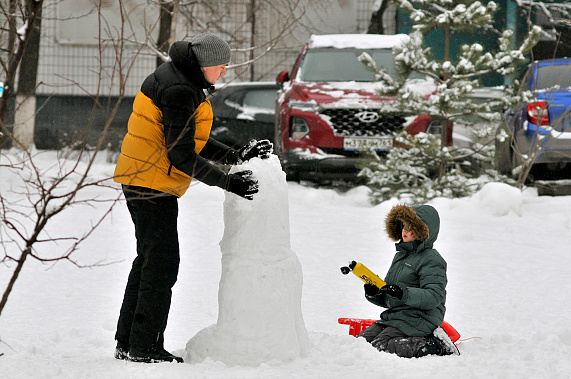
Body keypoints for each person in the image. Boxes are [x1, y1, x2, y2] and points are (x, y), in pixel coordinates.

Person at [112, 33, 273, 363]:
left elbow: (187, 136)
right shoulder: (180, 88)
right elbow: (181, 154)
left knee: (149, 260)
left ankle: (129, 341)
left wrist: (235, 155)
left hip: (143, 177)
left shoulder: (178, 78)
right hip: (149, 183)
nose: (224, 73)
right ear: (206, 65)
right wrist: (228, 183)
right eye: (222, 67)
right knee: (161, 264)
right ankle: (144, 346)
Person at [358, 204, 460, 358]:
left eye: (411, 228)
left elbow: (434, 297)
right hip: (395, 318)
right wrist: (375, 294)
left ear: (423, 232)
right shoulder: (401, 256)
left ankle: (434, 346)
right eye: (404, 225)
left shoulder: (432, 260)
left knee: (380, 347)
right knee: (361, 343)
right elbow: (391, 297)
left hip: (419, 319)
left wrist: (403, 293)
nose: (405, 231)